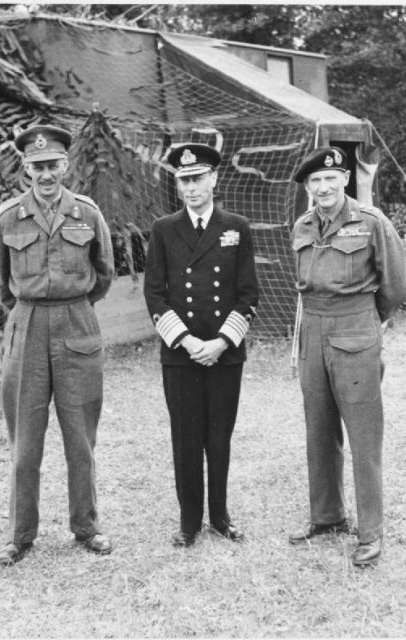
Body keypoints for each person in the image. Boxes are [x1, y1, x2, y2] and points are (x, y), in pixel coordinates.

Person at [0, 124, 115, 566]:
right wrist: (29, 311)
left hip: (77, 324)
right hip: (28, 325)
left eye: (53, 165)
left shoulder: (87, 213)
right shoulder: (7, 217)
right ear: (25, 168)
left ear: (65, 165)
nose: (45, 174)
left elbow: (104, 273)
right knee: (26, 442)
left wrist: (72, 305)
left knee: (80, 438)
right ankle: (20, 534)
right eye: (37, 166)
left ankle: (86, 526)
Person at [288, 145, 406, 566]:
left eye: (329, 179)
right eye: (314, 181)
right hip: (312, 331)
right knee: (318, 429)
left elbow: (396, 285)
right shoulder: (302, 224)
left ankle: (370, 532)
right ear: (308, 187)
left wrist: (366, 321)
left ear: (344, 180)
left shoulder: (371, 222)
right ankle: (327, 516)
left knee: (363, 435)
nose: (322, 187)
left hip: (356, 328)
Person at [144, 143, 259, 547]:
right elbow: (155, 295)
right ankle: (189, 521)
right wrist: (189, 341)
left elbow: (248, 294)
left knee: (219, 436)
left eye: (198, 179)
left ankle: (221, 517)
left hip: (224, 355)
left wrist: (222, 342)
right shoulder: (162, 229)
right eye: (184, 181)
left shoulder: (237, 227)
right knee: (186, 437)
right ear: (177, 185)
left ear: (214, 179)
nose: (191, 188)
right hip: (181, 354)